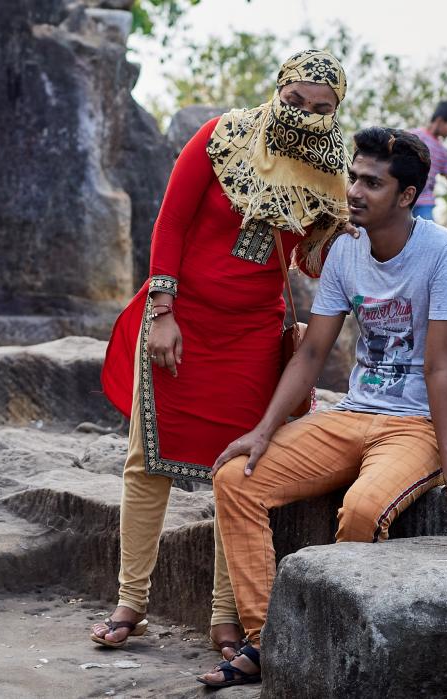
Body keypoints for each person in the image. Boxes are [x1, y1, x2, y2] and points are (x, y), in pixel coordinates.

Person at [196, 127, 447, 688]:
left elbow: (441, 368)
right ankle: (271, 640)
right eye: (355, 177)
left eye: (373, 182)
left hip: (417, 426)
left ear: (408, 195)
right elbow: (314, 350)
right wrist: (264, 430)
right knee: (235, 477)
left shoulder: (446, 257)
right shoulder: (346, 249)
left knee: (364, 511)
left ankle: (328, 643)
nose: (356, 191)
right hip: (353, 414)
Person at [91, 49, 351, 655]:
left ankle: (225, 616)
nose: (307, 115)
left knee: (238, 474)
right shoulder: (222, 135)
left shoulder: (330, 171)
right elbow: (171, 224)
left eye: (322, 108)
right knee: (146, 463)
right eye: (296, 102)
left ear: (337, 112)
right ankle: (131, 602)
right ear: (277, 90)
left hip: (254, 337)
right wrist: (163, 312)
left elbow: (308, 261)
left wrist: (342, 233)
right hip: (181, 322)